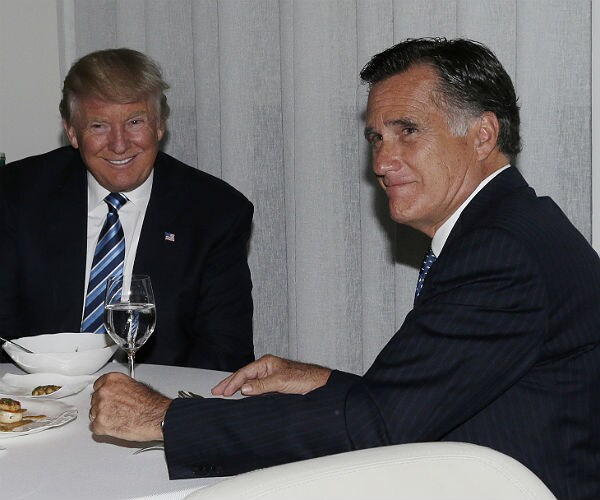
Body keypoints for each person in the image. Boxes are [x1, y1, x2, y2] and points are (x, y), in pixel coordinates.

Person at [88, 38, 600, 499]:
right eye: (376, 138)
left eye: (407, 131)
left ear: (482, 135)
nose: (381, 162)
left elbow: (377, 428)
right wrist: (323, 382)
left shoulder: (499, 253)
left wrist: (163, 417)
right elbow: (425, 398)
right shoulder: (512, 225)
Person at [0, 48, 255, 371]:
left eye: (135, 122)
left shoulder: (215, 213)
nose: (119, 144)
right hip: (38, 392)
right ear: (72, 131)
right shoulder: (16, 195)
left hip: (157, 396)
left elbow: (226, 353)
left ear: (160, 125)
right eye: (99, 126)